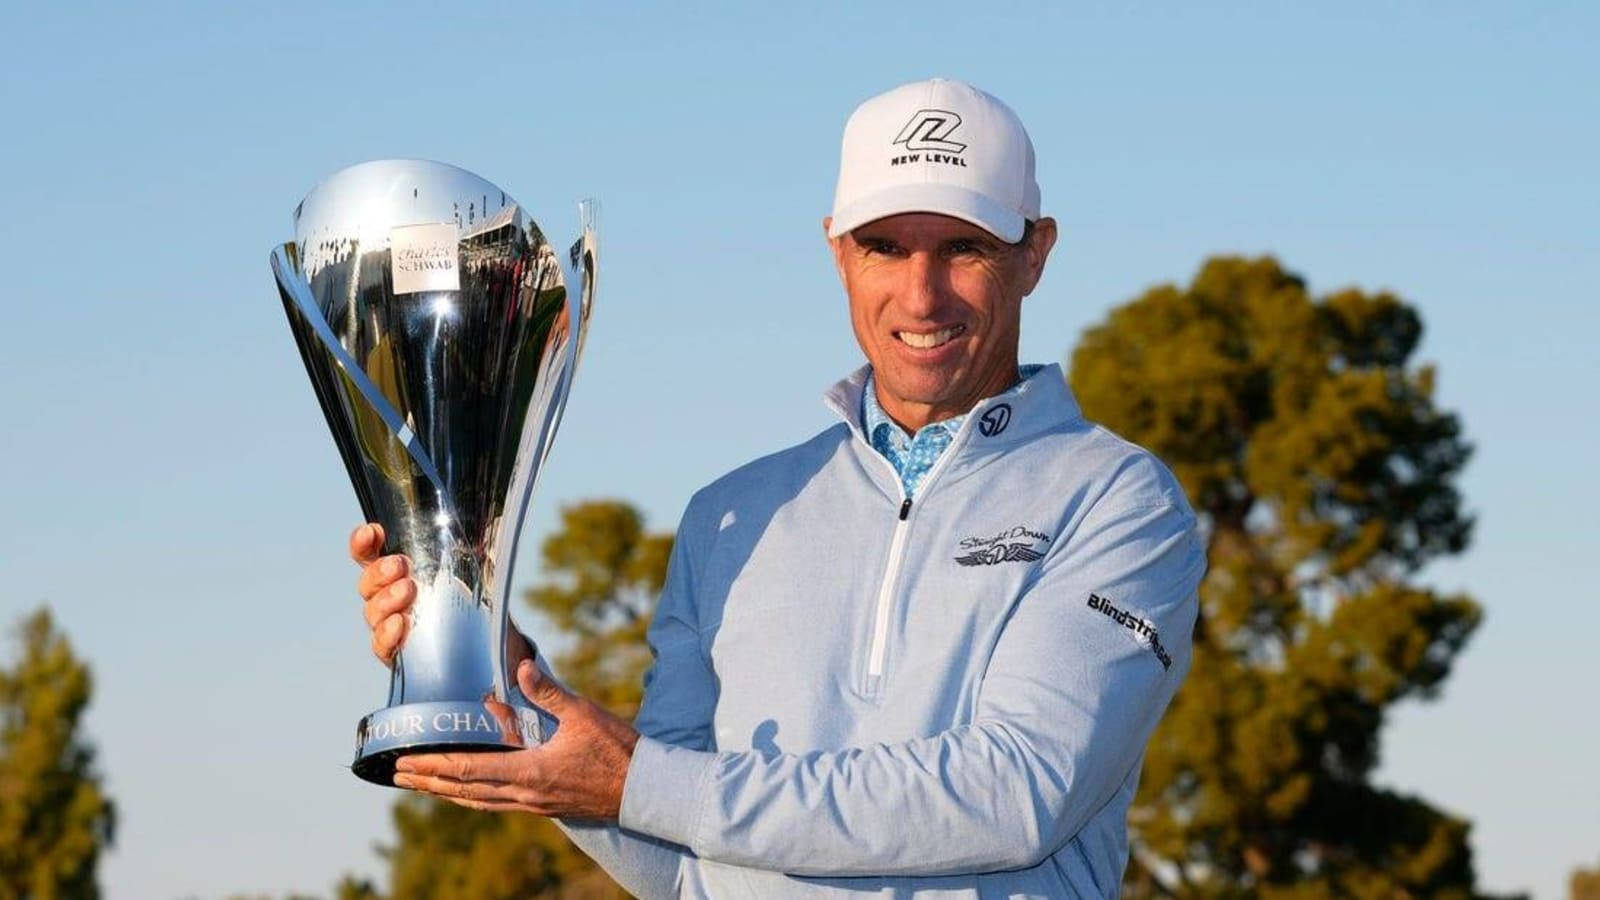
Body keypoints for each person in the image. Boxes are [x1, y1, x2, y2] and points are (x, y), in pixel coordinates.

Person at [350, 78, 1205, 898]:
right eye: (885, 247)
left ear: (1034, 254)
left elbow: (1017, 791)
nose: (921, 292)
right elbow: (683, 867)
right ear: (838, 251)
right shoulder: (732, 515)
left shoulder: (1119, 501)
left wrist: (639, 782)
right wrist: (492, 672)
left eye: (964, 248)